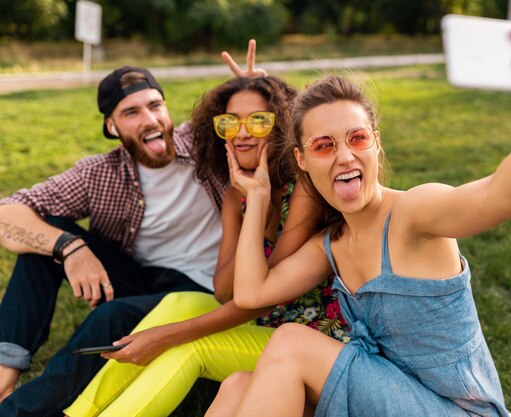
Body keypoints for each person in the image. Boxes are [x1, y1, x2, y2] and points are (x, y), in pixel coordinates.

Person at [206, 9, 511, 417]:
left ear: (375, 143)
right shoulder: (332, 244)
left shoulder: (413, 213)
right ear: (302, 160)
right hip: (390, 399)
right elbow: (252, 294)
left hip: (457, 411)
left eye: (356, 138)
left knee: (291, 342)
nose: (345, 155)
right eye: (324, 145)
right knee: (239, 384)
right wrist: (256, 199)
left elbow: (499, 195)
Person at [0, 40, 266, 416]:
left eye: (155, 105)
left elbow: (262, 128)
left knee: (111, 317)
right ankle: (3, 373)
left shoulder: (207, 143)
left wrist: (255, 90)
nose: (150, 119)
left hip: (208, 287)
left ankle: (18, 411)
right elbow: (8, 212)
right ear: (111, 126)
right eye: (131, 113)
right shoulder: (99, 174)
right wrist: (70, 248)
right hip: (143, 279)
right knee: (48, 237)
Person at [63, 75, 349, 417]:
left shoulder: (304, 188)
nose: (242, 133)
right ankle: (78, 413)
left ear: (282, 126)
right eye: (231, 122)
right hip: (270, 327)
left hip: (315, 343)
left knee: (184, 345)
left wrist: (165, 336)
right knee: (179, 303)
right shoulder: (235, 195)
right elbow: (224, 290)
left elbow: (262, 297)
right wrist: (252, 203)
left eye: (258, 120)